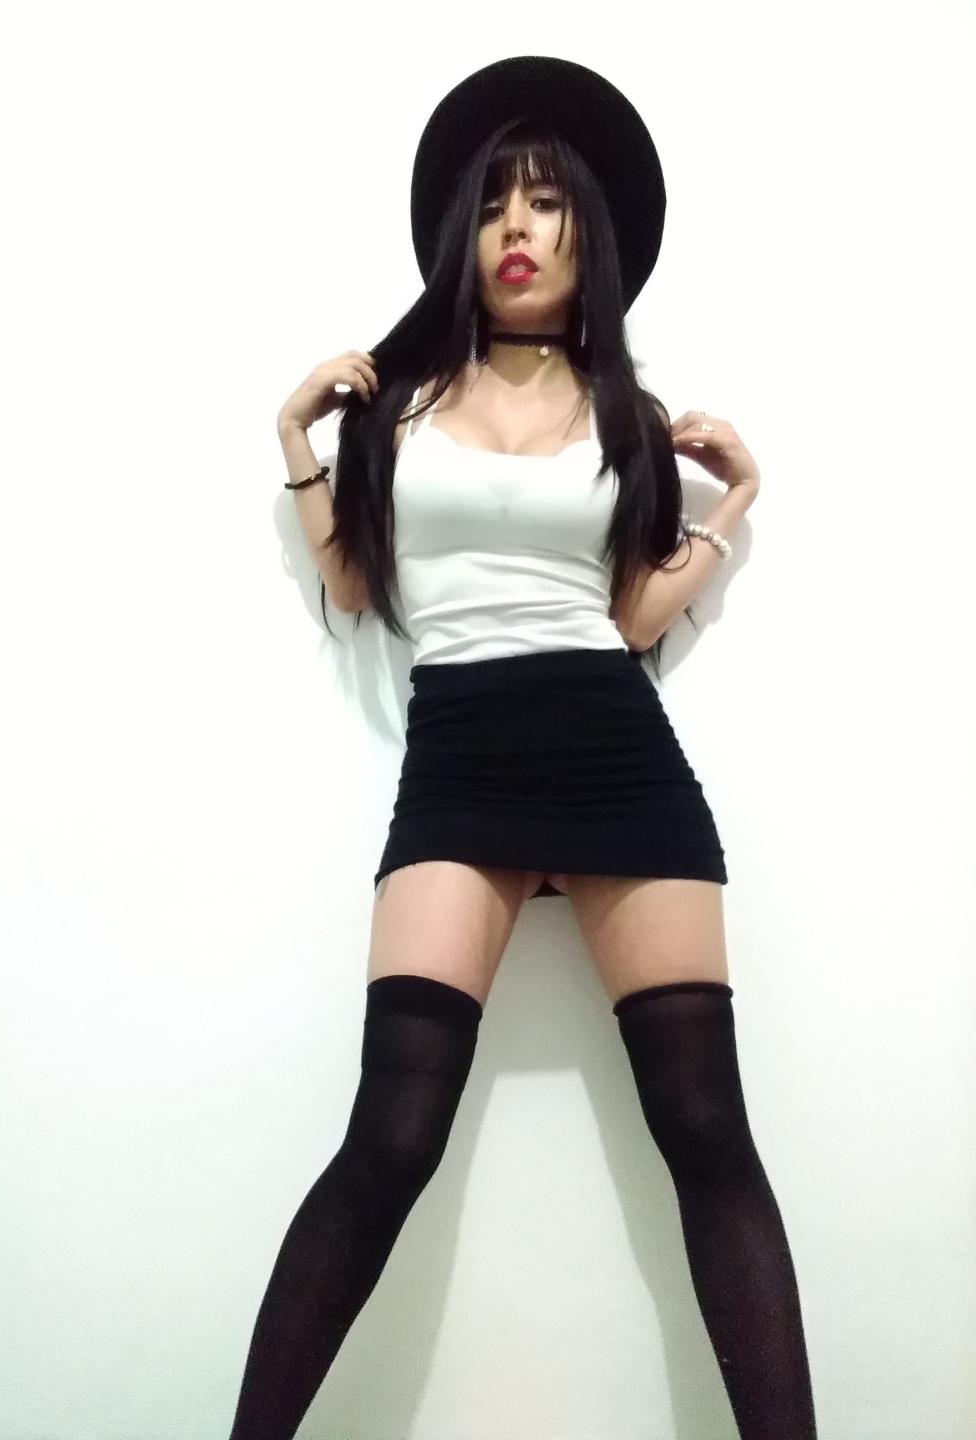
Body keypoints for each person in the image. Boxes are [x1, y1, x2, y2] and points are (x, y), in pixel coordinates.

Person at [232, 56, 817, 1440]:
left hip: (618, 760)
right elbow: (358, 587)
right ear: (463, 232)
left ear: (584, 235)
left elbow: (628, 621)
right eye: (496, 200)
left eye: (546, 203)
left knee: (709, 1136)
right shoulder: (397, 409)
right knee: (392, 1136)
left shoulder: (627, 415)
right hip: (461, 764)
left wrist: (734, 502)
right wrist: (298, 445)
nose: (517, 225)